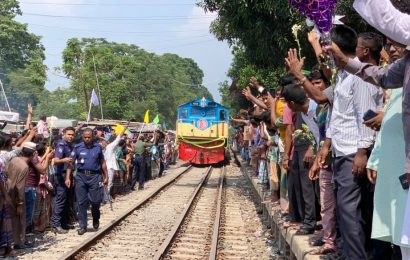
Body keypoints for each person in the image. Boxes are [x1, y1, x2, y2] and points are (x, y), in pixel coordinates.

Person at [65, 128, 108, 235]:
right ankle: (83, 226)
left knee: (95, 201)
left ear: (92, 137)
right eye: (85, 137)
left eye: (89, 137)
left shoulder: (98, 147)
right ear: (83, 137)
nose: (87, 139)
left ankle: (96, 217)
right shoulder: (78, 147)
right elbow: (70, 163)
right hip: (81, 176)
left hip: (95, 177)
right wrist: (67, 177)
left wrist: (106, 176)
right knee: (81, 202)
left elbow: (102, 162)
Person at [6, 142, 37, 249]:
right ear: (33, 154)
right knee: (20, 219)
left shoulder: (14, 160)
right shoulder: (24, 166)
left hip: (7, 193)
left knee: (10, 219)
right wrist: (20, 203)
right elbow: (20, 186)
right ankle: (18, 242)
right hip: (16, 196)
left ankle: (10, 241)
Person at [50, 127, 75, 234]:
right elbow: (55, 160)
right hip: (61, 176)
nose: (71, 136)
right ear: (64, 134)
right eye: (69, 134)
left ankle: (64, 222)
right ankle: (55, 224)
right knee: (60, 200)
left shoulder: (70, 145)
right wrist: (63, 160)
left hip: (68, 175)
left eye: (72, 135)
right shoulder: (61, 145)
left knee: (66, 200)